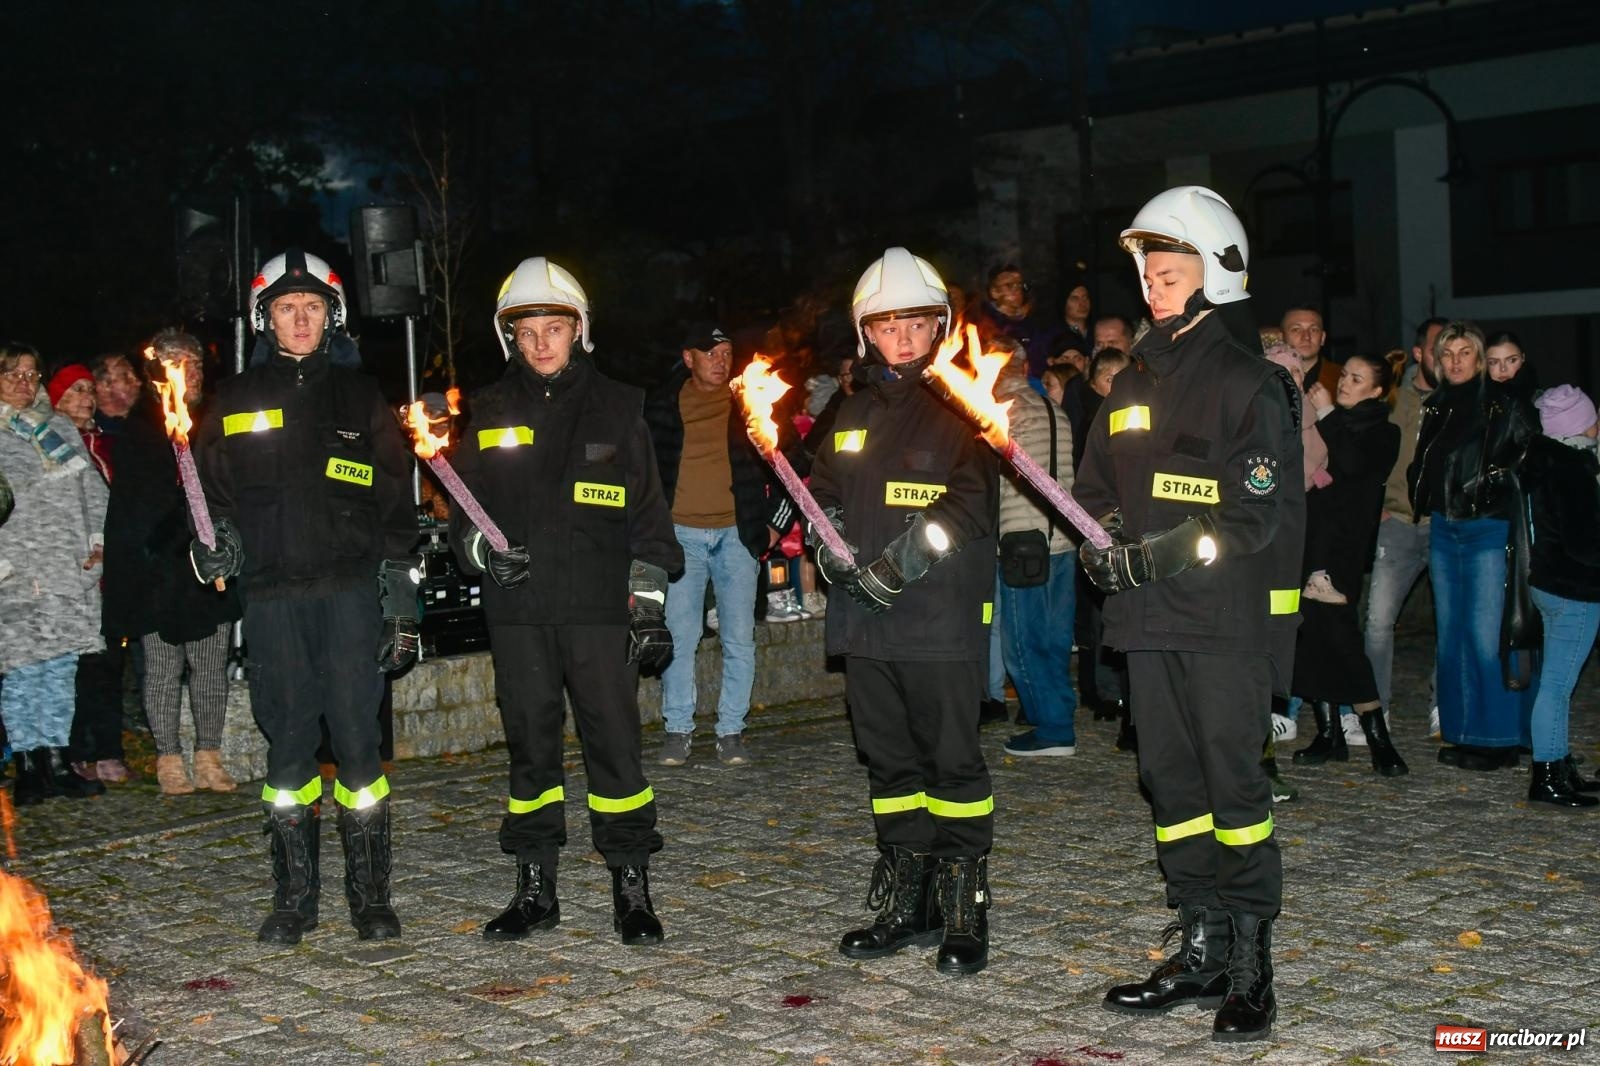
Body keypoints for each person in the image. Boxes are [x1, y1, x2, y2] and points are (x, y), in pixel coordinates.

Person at [1075, 186, 1304, 1042]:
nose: (1155, 289)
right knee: (1170, 787)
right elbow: (1094, 491)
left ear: (1217, 276)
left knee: (1233, 787)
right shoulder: (1129, 380)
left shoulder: (1254, 382)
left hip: (1219, 624)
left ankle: (1251, 961)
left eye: (1171, 274)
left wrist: (1166, 549)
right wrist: (1104, 542)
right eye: (1148, 275)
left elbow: (1257, 514)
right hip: (1143, 624)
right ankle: (1201, 947)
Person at [450, 256, 682, 946]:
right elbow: (462, 513)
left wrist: (648, 604)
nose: (542, 342)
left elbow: (649, 517)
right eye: (528, 331)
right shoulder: (487, 411)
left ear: (579, 330)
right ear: (510, 338)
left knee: (616, 748)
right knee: (531, 751)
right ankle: (535, 888)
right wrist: (481, 553)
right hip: (519, 612)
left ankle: (631, 885)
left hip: (598, 610)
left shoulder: (620, 404)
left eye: (555, 327)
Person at [194, 248, 419, 944]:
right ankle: (294, 900)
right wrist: (212, 547)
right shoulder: (230, 402)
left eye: (312, 308)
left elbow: (395, 502)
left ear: (332, 317)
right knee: (287, 749)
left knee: (357, 744)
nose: (299, 318)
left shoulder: (360, 399)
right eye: (287, 308)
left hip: (350, 595)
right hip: (272, 600)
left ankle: (370, 898)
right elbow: (209, 499)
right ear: (266, 319)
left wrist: (400, 600)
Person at [810, 247, 999, 975]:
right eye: (888, 325)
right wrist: (827, 545)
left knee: (952, 763)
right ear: (867, 332)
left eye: (916, 324)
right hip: (865, 621)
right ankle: (906, 900)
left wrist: (905, 560)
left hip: (937, 618)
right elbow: (820, 487)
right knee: (889, 764)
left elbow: (969, 503)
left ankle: (963, 905)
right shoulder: (850, 409)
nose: (902, 338)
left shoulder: (964, 405)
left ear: (938, 328)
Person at [644, 322, 795, 767]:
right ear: (688, 357)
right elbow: (642, 471)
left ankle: (731, 732)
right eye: (709, 353)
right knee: (679, 637)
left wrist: (774, 526)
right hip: (681, 536)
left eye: (727, 353)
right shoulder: (661, 405)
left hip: (737, 536)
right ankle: (677, 730)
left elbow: (796, 466)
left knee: (739, 639)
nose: (720, 361)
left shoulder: (751, 400)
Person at [105, 330, 243, 795]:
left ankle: (208, 755)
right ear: (157, 372)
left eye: (198, 363)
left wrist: (220, 540)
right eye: (181, 364)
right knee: (163, 670)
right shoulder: (139, 430)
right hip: (159, 573)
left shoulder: (215, 422)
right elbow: (134, 509)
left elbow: (229, 488)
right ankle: (168, 758)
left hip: (208, 570)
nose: (194, 373)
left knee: (209, 667)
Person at [1406, 321, 1539, 772]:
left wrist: (1494, 482)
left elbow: (1530, 457)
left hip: (1486, 528)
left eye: (1465, 353)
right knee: (1452, 638)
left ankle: (1498, 739)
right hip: (1445, 526)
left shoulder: (1504, 404)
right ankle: (1463, 733)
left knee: (1485, 639)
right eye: (1448, 354)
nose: (1456, 361)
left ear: (1479, 359)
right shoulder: (1437, 406)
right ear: (1435, 361)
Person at [1287, 353, 1407, 775]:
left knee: (1340, 635)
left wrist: (1326, 413)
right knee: (1311, 633)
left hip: (1342, 549)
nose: (1345, 382)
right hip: (1308, 541)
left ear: (1377, 390)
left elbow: (1352, 466)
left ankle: (1377, 736)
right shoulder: (1328, 421)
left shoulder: (1383, 432)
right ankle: (1328, 733)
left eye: (1357, 378)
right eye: (1346, 375)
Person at [0, 343, 109, 804]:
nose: (25, 383)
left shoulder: (58, 426)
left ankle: (58, 759)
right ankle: (28, 763)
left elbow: (94, 491)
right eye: (13, 374)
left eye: (31, 374)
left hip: (65, 568)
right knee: (22, 670)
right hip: (16, 572)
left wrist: (98, 542)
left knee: (60, 668)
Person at [990, 338, 1078, 759]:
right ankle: (1055, 711)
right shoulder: (1052, 408)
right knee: (1056, 638)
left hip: (1022, 538)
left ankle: (1053, 728)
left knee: (1023, 640)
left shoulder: (1000, 413)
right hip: (1062, 538)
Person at [47, 364, 131, 786]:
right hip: (71, 570)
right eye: (74, 391)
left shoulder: (107, 442)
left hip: (109, 572)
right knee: (77, 666)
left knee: (108, 662)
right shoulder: (47, 442)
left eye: (88, 390)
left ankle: (108, 748)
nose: (85, 397)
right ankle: (78, 751)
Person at [1517, 386, 1600, 808]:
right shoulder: (1573, 469)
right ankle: (1547, 774)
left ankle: (1560, 764)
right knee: (1558, 684)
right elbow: (1583, 541)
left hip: (1549, 583)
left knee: (1557, 680)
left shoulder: (1544, 462)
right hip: (1575, 587)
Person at [1364, 319, 1445, 730]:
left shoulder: (1460, 397)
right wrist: (1373, 501)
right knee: (1378, 620)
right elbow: (1366, 447)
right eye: (1437, 348)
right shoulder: (1394, 395)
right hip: (1395, 521)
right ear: (1419, 353)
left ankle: (1442, 704)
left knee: (1450, 621)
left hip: (1444, 524)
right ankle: (1375, 711)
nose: (1445, 357)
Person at [1078, 348, 1134, 749]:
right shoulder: (1095, 419)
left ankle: (1134, 715)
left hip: (1143, 538)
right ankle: (1111, 700)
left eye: (1124, 376)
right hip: (1110, 536)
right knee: (1106, 627)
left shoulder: (1141, 412)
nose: (1117, 385)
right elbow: (1091, 482)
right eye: (1109, 377)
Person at [976, 263, 1065, 380]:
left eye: (1019, 285)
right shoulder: (984, 325)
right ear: (994, 292)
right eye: (1009, 285)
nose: (1017, 290)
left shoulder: (1034, 322)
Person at [1281, 307, 1339, 396]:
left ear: (1323, 338)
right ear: (1282, 337)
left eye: (1313, 330)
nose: (1306, 337)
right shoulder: (1268, 378)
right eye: (1296, 329)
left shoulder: (1341, 379)